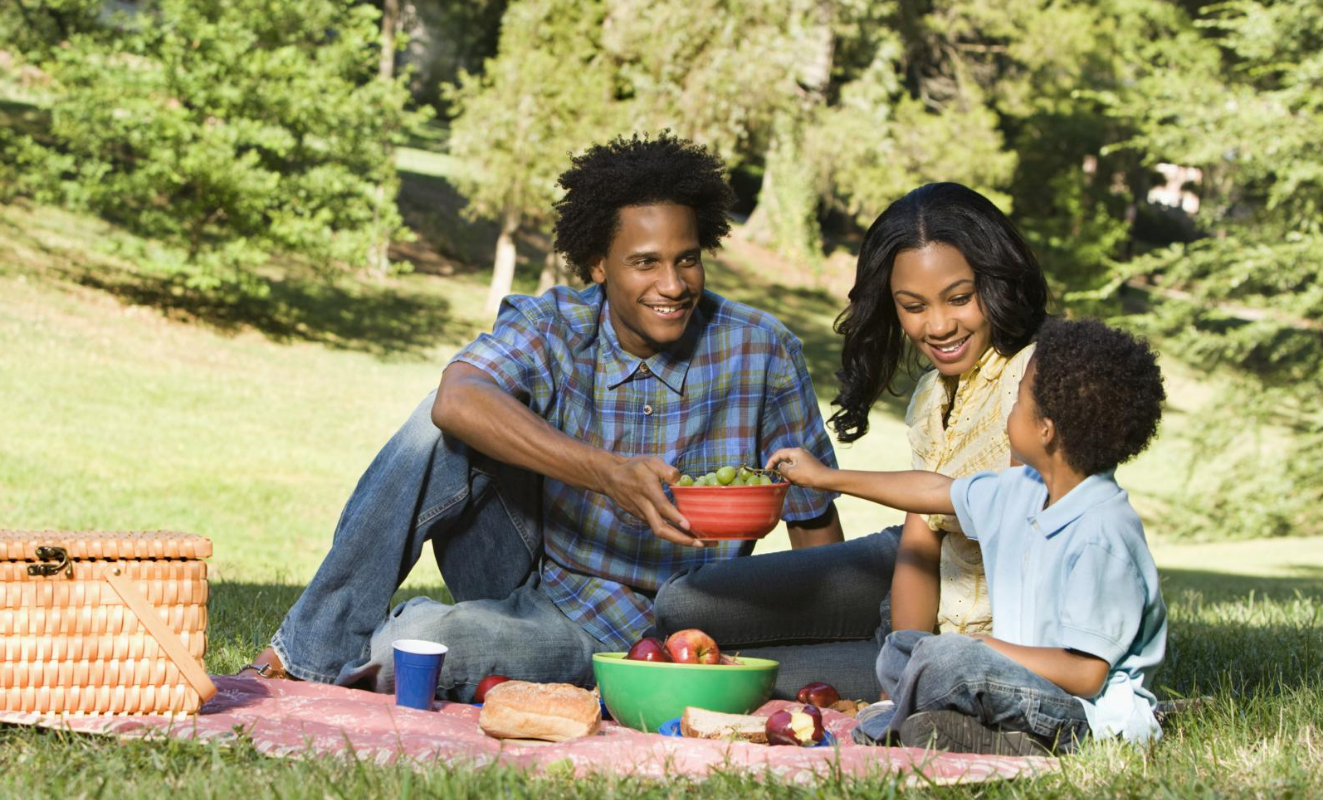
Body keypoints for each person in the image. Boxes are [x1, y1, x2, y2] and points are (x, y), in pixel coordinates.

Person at [242, 133, 845, 701]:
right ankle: (310, 651)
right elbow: (458, 400)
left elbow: (813, 522)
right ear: (598, 263)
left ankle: (429, 626)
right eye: (644, 262)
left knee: (413, 653)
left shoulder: (762, 350)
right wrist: (607, 473)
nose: (672, 284)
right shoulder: (553, 325)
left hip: (679, 626)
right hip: (547, 592)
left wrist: (835, 649)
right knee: (440, 424)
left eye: (687, 260)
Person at [652, 182, 1051, 699]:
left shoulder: (1034, 376)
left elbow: (1009, 521)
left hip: (979, 645)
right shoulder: (933, 395)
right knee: (681, 606)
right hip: (909, 594)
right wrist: (903, 658)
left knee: (722, 675)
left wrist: (911, 684)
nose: (938, 325)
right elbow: (920, 543)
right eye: (913, 305)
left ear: (996, 281)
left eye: (959, 298)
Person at [768, 317, 1169, 754]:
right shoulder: (1023, 492)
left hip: (1085, 714)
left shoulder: (1101, 533)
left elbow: (1087, 674)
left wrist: (982, 648)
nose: (1008, 412)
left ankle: (909, 728)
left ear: (1046, 430)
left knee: (951, 659)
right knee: (905, 648)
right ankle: (944, 730)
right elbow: (934, 490)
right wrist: (827, 477)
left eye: (1016, 402)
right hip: (1013, 685)